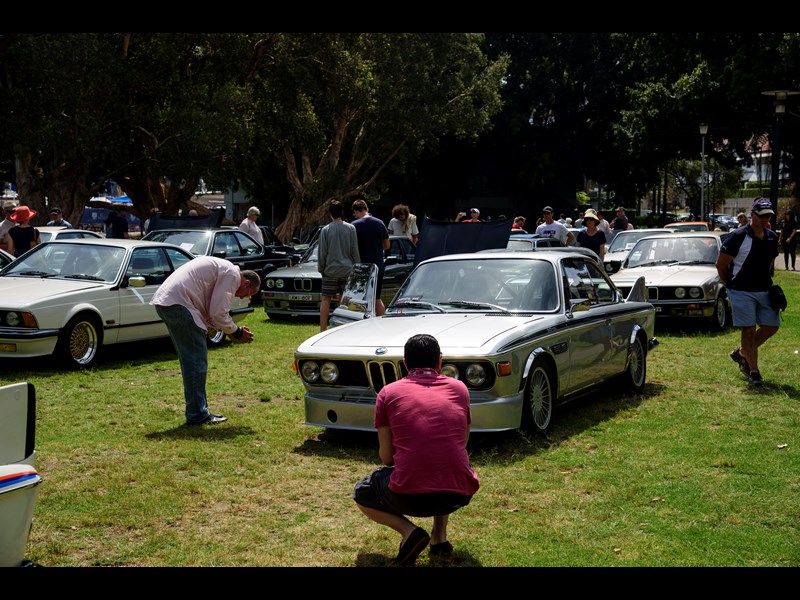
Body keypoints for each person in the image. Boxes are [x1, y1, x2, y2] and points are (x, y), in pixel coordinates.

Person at [353, 333, 480, 566]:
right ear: (439, 361)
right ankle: (439, 538)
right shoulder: (460, 389)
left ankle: (409, 531)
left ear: (405, 364)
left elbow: (387, 458)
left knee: (362, 491)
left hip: (409, 497)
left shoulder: (388, 393)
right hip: (457, 493)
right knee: (443, 460)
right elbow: (462, 442)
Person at [150, 256, 260, 425]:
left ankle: (198, 411)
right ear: (246, 283)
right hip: (178, 304)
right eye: (248, 295)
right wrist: (236, 332)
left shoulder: (224, 269)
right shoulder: (232, 274)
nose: (244, 298)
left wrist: (229, 331)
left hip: (168, 302)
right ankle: (197, 414)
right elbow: (218, 312)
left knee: (192, 361)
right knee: (195, 362)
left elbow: (211, 310)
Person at [716, 197, 780, 387]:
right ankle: (754, 372)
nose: (765, 219)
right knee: (749, 329)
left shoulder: (771, 236)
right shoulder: (737, 236)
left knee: (771, 327)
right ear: (752, 214)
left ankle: (742, 353)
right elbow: (721, 265)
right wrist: (731, 285)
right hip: (741, 291)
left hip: (764, 290)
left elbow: (769, 263)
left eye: (768, 216)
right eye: (761, 216)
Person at [318, 199, 360, 332]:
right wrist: (358, 268)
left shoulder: (325, 230)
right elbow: (355, 250)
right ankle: (344, 328)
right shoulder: (351, 228)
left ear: (330, 213)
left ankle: (323, 329)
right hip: (348, 270)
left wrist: (322, 269)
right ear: (342, 212)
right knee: (345, 301)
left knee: (326, 299)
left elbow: (322, 252)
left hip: (330, 270)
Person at [352, 196, 390, 316]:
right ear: (366, 208)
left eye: (355, 214)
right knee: (377, 298)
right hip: (378, 266)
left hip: (362, 267)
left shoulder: (354, 225)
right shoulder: (379, 223)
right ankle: (382, 323)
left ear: (357, 211)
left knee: (359, 298)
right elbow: (387, 245)